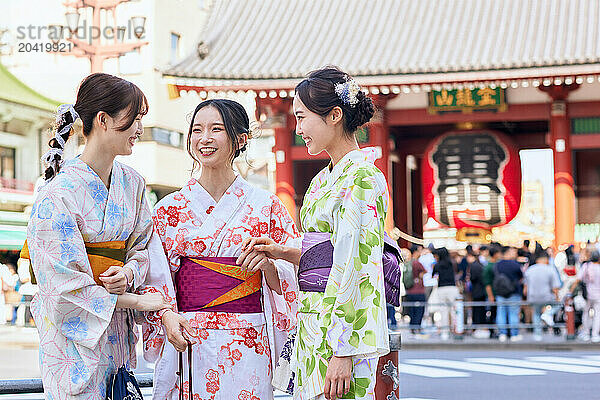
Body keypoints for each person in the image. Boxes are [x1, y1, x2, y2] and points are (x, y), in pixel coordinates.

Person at [239, 66, 390, 400]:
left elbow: (356, 267)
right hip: (313, 322)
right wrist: (281, 251)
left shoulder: (363, 179)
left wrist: (344, 350)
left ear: (334, 115)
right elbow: (325, 252)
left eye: (302, 117)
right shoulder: (324, 179)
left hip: (342, 334)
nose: (298, 128)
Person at [140, 99, 299, 399]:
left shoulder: (266, 207)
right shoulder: (168, 210)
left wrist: (268, 266)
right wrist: (164, 316)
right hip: (189, 336)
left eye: (216, 129)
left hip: (249, 339)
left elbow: (293, 279)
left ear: (240, 139)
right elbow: (153, 279)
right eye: (197, 130)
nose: (204, 138)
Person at [24, 73, 171, 398]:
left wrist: (129, 271)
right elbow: (61, 289)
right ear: (103, 120)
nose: (139, 129)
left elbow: (143, 245)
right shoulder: (56, 193)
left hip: (116, 335)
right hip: (73, 346)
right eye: (134, 118)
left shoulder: (132, 183)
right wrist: (135, 300)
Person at [524, 251, 561, 341]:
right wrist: (557, 297)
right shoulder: (550, 269)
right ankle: (547, 314)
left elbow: (525, 288)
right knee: (558, 306)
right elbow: (555, 287)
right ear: (545, 259)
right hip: (546, 296)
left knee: (536, 313)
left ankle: (537, 334)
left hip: (533, 296)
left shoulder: (530, 270)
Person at [494, 246, 523, 342]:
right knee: (513, 313)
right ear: (508, 252)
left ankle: (502, 333)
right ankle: (514, 334)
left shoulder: (497, 265)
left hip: (500, 292)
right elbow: (521, 277)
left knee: (501, 313)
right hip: (513, 292)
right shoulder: (515, 264)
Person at [570, 250, 600, 342]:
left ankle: (586, 333)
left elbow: (578, 279)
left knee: (585, 313)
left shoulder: (586, 267)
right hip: (598, 294)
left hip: (586, 294)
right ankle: (595, 334)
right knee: (597, 315)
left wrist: (570, 291)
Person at [432, 247, 458, 340]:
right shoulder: (452, 263)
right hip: (452, 288)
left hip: (442, 288)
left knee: (443, 311)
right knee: (454, 311)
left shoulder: (437, 265)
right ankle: (456, 330)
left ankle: (445, 333)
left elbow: (433, 275)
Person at [405, 245, 427, 335]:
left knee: (412, 310)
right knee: (419, 310)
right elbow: (423, 273)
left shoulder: (408, 263)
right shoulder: (417, 263)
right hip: (418, 291)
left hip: (409, 291)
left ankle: (412, 327)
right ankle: (417, 327)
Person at [467, 252, 487, 338]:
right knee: (481, 309)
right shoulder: (480, 265)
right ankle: (480, 327)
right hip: (481, 290)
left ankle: (476, 327)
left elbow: (473, 278)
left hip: (477, 291)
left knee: (477, 310)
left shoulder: (474, 266)